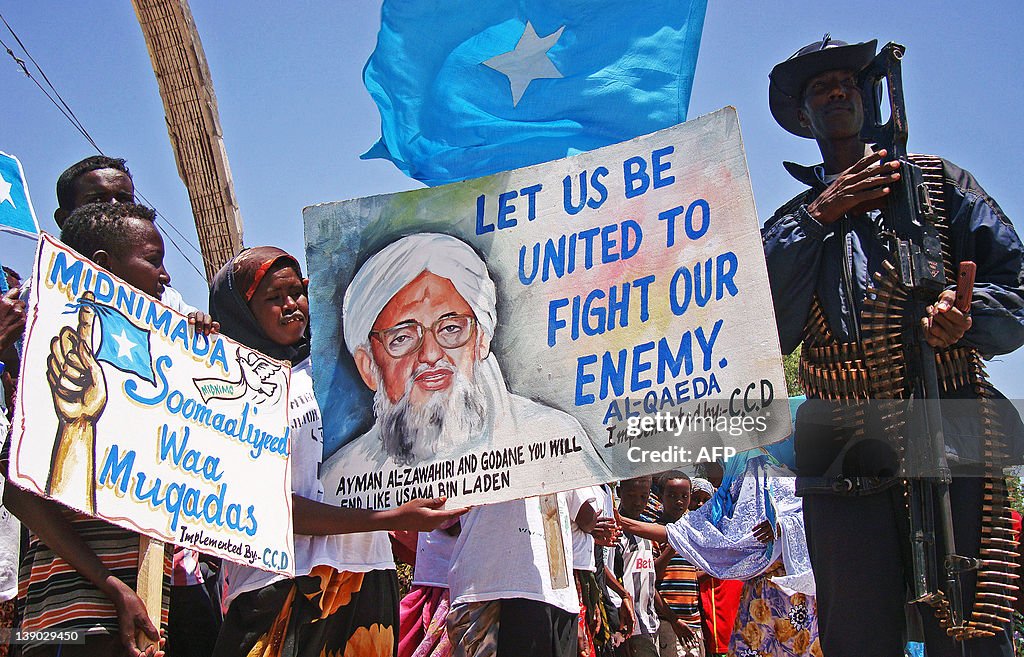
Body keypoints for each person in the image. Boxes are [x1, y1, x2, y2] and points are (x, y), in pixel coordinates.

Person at [762, 35, 1024, 656]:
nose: (835, 92)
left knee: (971, 628)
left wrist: (963, 316)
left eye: (846, 82)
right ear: (803, 117)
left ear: (869, 96)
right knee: (859, 629)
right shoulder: (789, 224)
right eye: (818, 87)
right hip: (842, 442)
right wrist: (815, 221)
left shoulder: (940, 186)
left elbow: (1017, 295)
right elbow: (767, 328)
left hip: (950, 423)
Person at [207, 246, 465, 657]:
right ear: (240, 310)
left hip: (365, 576)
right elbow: (268, 509)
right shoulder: (226, 388)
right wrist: (391, 517)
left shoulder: (340, 375)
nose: (292, 306)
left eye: (297, 293)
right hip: (280, 583)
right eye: (274, 298)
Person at [4, 202, 184, 657]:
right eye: (152, 260)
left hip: (140, 609)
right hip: (71, 620)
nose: (165, 277)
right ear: (103, 266)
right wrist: (113, 588)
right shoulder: (59, 355)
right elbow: (17, 491)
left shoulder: (164, 364)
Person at [53, 156, 207, 321]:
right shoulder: (43, 294)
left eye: (125, 200)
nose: (115, 207)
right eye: (97, 201)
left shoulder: (167, 301)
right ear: (64, 219)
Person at [650, 472, 702, 657]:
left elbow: (691, 574)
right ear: (660, 496)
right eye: (672, 496)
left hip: (693, 622)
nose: (678, 501)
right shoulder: (655, 532)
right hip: (668, 623)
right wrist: (673, 545)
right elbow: (651, 579)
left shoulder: (692, 533)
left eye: (684, 496)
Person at [611, 476, 659, 657]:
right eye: (631, 495)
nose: (637, 502)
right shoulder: (615, 534)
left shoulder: (647, 530)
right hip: (630, 624)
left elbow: (650, 578)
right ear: (619, 493)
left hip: (649, 622)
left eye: (643, 497)